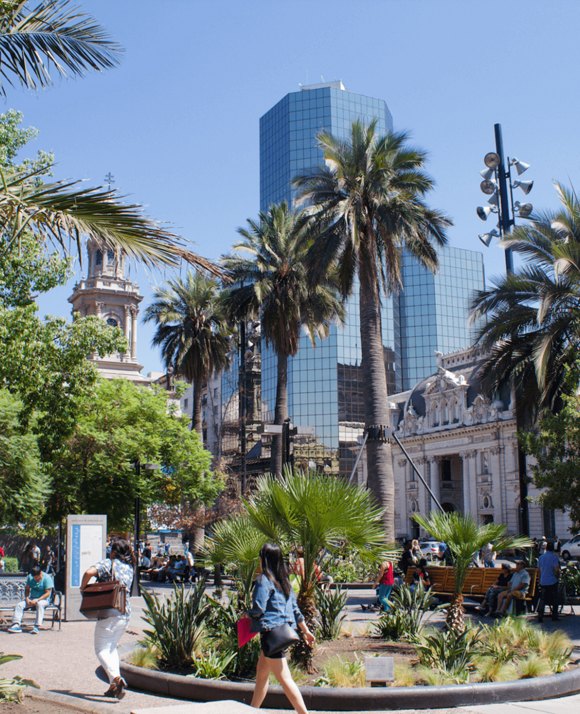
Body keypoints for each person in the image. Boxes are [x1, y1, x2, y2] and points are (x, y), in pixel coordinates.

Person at [248, 543, 315, 714]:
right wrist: (306, 631)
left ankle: (303, 713)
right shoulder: (284, 581)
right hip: (284, 632)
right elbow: (295, 610)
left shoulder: (264, 579)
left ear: (264, 559)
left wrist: (246, 615)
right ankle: (252, 710)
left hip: (271, 634)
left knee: (285, 679)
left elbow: (258, 607)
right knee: (262, 675)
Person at [80, 536, 134, 700]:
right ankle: (114, 685)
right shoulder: (129, 567)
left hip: (109, 611)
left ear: (114, 552)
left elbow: (89, 572)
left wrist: (84, 587)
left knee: (101, 649)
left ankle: (117, 679)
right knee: (111, 649)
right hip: (125, 612)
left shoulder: (108, 563)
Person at [8, 564, 53, 634]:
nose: (35, 579)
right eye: (34, 577)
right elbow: (27, 589)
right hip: (32, 599)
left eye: (37, 577)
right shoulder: (30, 577)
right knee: (19, 605)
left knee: (40, 604)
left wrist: (38, 599)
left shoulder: (47, 578)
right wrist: (27, 598)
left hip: (43, 600)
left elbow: (48, 593)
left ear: (40, 573)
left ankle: (37, 626)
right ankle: (16, 624)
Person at [537, 541, 560, 622]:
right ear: (553, 549)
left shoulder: (541, 557)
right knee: (555, 599)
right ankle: (554, 616)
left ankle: (540, 615)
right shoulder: (554, 557)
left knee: (542, 599)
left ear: (546, 548)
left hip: (543, 581)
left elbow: (539, 570)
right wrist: (557, 577)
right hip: (552, 581)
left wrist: (539, 580)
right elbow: (556, 570)